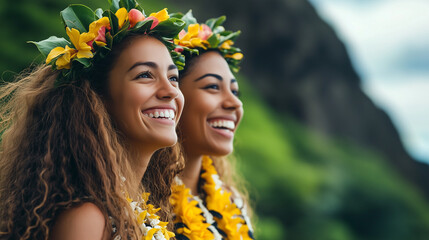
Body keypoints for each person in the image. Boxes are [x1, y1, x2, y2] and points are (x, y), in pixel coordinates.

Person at [0, 1, 186, 239]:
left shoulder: (137, 206)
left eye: (173, 77)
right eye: (145, 75)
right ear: (97, 97)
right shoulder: (88, 218)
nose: (170, 91)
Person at [169, 11, 255, 240]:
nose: (235, 102)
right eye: (213, 87)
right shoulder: (138, 206)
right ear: (170, 95)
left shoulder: (232, 201)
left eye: (235, 91)